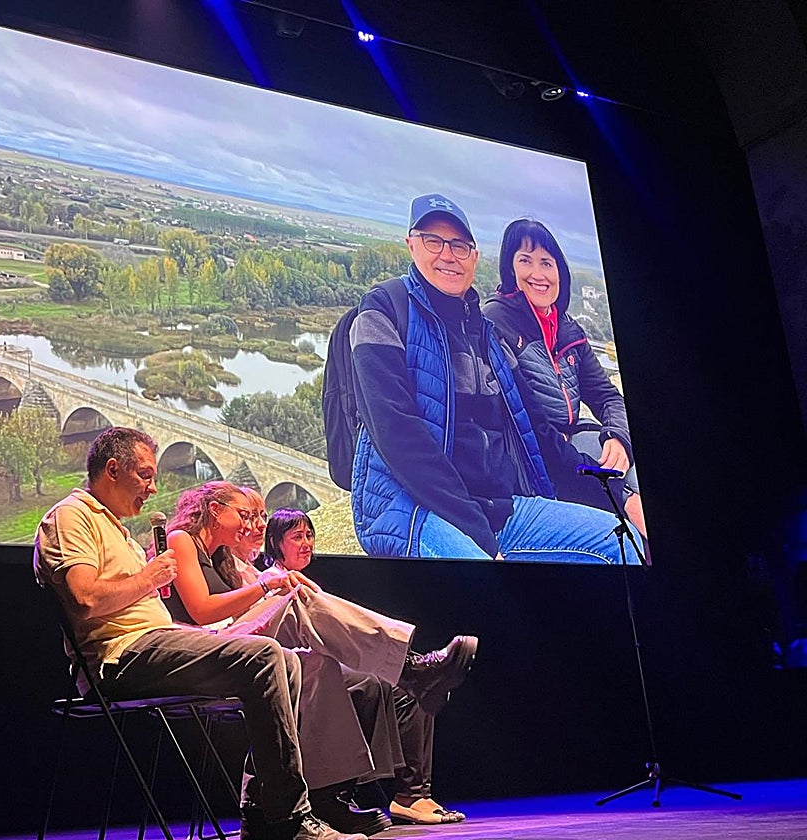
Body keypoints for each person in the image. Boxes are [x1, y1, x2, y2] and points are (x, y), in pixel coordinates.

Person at [33, 427, 364, 840]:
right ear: (113, 469)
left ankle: (260, 813)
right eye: (145, 475)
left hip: (155, 642)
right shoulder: (70, 516)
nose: (153, 488)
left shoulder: (117, 528)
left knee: (290, 660)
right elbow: (83, 599)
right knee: (262, 656)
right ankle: (290, 819)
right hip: (120, 658)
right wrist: (148, 577)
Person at [162, 481, 477, 829]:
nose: (250, 524)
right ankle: (411, 667)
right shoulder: (181, 540)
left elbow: (239, 609)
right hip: (209, 646)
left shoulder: (222, 558)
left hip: (238, 643)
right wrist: (270, 587)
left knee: (319, 664)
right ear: (214, 510)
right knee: (297, 598)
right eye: (244, 515)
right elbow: (203, 610)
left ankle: (327, 797)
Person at [349, 192, 643, 562]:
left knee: (621, 545)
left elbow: (539, 433)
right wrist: (480, 538)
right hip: (415, 510)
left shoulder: (488, 336)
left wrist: (619, 499)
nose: (448, 255)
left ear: (474, 257)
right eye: (433, 241)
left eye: (459, 245)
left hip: (498, 509)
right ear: (411, 245)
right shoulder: (385, 310)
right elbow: (398, 434)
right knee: (494, 598)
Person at [264, 508, 466, 826]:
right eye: (297, 537)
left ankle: (413, 795)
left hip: (317, 663)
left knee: (408, 690)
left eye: (309, 535)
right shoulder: (272, 584)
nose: (306, 543)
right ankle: (340, 793)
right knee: (378, 682)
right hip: (292, 667)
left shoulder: (300, 583)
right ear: (275, 543)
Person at [483, 218, 645, 537]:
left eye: (547, 262)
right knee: (632, 521)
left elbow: (608, 397)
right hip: (533, 462)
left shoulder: (567, 329)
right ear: (510, 269)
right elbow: (533, 431)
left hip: (575, 443)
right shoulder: (496, 325)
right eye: (525, 260)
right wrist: (622, 498)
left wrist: (617, 438)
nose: (539, 274)